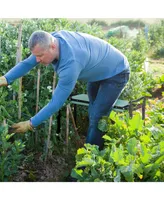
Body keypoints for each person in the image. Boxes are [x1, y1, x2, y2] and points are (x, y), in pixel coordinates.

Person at [0, 30, 130, 149]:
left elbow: (56, 103)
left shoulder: (71, 64)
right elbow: (28, 63)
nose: (37, 60)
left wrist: (30, 123)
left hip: (116, 72)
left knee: (98, 116)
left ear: (52, 46)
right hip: (99, 68)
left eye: (40, 56)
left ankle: (89, 162)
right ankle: (97, 142)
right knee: (94, 112)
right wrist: (6, 79)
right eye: (36, 56)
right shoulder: (52, 39)